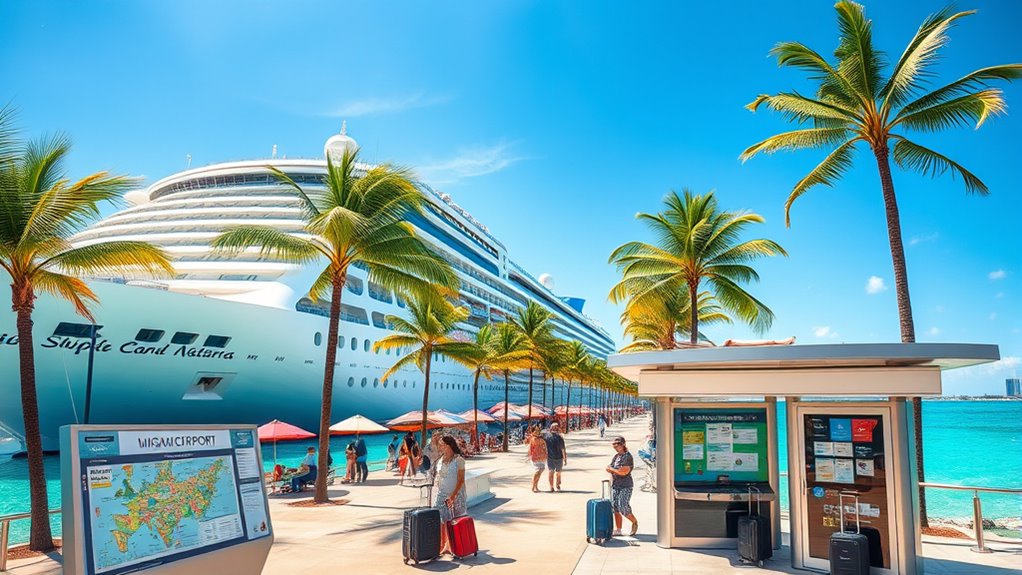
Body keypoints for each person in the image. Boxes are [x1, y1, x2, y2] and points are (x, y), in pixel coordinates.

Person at [430, 435, 467, 556]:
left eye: (442, 445)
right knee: (440, 519)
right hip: (441, 493)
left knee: (453, 520)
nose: (440, 447)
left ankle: (454, 546)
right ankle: (443, 545)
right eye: (440, 445)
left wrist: (453, 496)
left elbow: (461, 480)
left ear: (450, 445)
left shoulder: (459, 460)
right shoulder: (440, 459)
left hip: (455, 494)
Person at [606, 436, 638, 536]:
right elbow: (610, 467)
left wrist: (612, 470)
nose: (615, 446)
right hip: (615, 485)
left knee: (623, 506)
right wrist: (611, 470)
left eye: (618, 444)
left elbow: (624, 472)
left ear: (623, 444)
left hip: (625, 485)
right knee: (615, 507)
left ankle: (634, 522)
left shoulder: (627, 457)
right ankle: (618, 529)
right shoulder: (616, 457)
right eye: (614, 444)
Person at [544, 422, 567, 492]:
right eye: (554, 427)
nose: (555, 428)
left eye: (556, 427)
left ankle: (557, 484)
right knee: (551, 472)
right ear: (551, 428)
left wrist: (565, 458)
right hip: (550, 457)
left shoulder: (560, 437)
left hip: (559, 458)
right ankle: (551, 486)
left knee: (558, 472)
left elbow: (563, 449)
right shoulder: (547, 436)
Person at [526, 426, 547, 493]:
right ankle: (533, 486)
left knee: (540, 471)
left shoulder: (542, 438)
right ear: (533, 431)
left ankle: (536, 486)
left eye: (538, 430)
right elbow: (529, 447)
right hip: (535, 457)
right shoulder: (532, 438)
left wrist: (546, 454)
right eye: (536, 430)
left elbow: (545, 446)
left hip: (542, 456)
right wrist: (529, 456)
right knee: (537, 471)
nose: (537, 431)